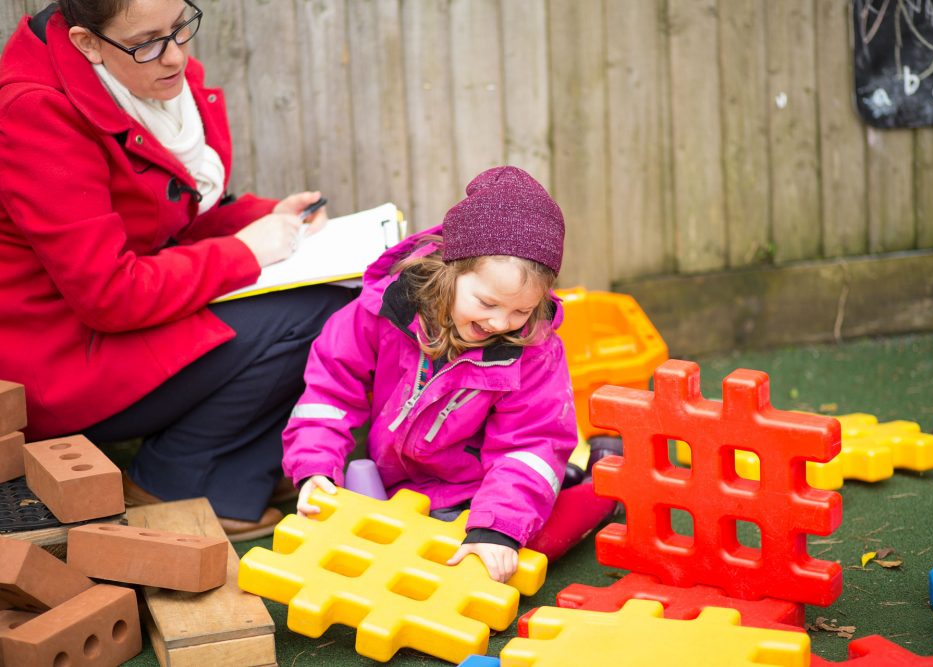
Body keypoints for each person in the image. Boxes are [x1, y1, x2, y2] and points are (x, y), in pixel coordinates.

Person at [0, 0, 353, 539]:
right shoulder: (35, 113)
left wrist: (265, 218)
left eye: (180, 28)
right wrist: (247, 251)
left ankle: (244, 466)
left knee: (342, 295)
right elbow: (110, 293)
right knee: (318, 315)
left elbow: (160, 223)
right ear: (86, 42)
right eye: (148, 41)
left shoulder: (136, 80)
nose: (175, 58)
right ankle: (177, 480)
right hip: (63, 361)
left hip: (111, 324)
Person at [282, 166, 578, 582]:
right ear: (451, 270)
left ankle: (578, 482)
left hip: (469, 495)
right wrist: (314, 468)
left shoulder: (534, 353)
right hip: (390, 483)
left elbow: (531, 443)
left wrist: (496, 528)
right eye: (487, 302)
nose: (501, 322)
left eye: (522, 310)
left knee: (460, 568)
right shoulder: (379, 314)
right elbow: (329, 394)